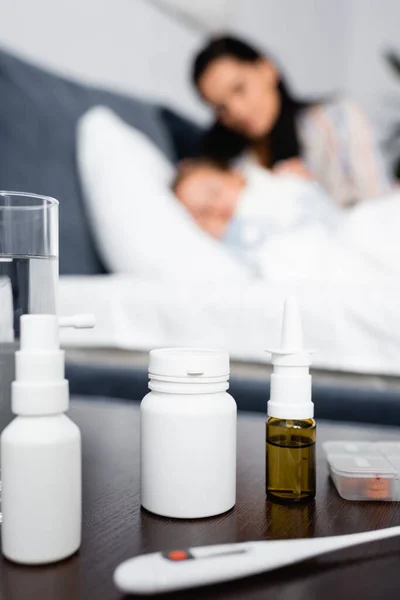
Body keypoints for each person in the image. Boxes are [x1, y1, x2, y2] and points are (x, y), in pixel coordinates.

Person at [191, 36, 393, 207]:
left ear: (267, 69)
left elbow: (375, 209)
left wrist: (308, 196)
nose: (237, 111)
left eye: (239, 88)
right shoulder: (235, 164)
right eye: (220, 108)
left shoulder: (335, 119)